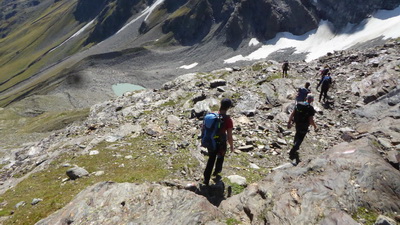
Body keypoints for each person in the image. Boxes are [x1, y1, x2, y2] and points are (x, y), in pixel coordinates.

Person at [203, 98, 234, 185]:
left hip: (211, 140)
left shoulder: (212, 115)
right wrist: (231, 146)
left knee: (211, 159)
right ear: (228, 107)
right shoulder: (228, 120)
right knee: (220, 157)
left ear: (220, 104)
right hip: (221, 142)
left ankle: (206, 178)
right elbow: (229, 136)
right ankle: (216, 173)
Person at [287, 95, 318, 165]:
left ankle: (294, 145)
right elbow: (310, 120)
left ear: (306, 98)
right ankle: (294, 149)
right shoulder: (310, 108)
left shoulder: (299, 104)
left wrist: (289, 122)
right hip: (304, 125)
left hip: (297, 123)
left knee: (297, 133)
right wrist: (315, 126)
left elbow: (292, 114)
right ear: (312, 100)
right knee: (301, 137)